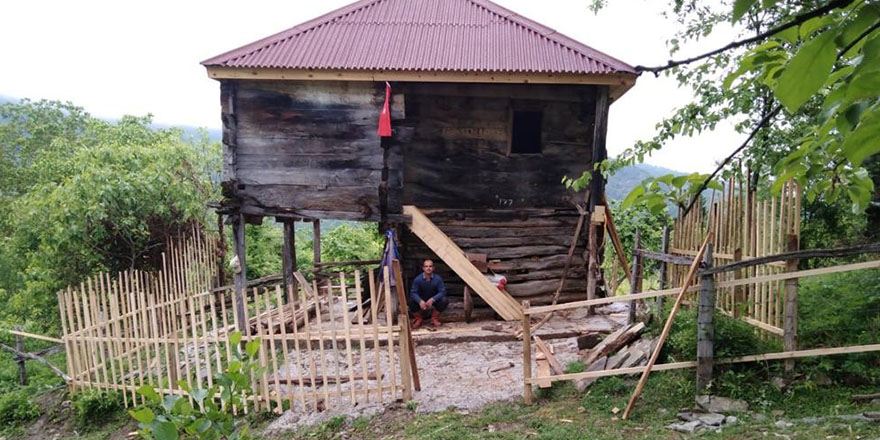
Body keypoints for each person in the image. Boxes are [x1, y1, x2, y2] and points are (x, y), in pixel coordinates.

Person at [409, 259, 447, 329]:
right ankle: (419, 319)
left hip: (433, 300)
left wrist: (433, 299)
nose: (428, 268)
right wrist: (420, 301)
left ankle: (434, 318)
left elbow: (443, 292)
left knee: (444, 300)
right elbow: (413, 292)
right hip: (422, 300)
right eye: (426, 266)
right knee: (411, 301)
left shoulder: (438, 279)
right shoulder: (418, 279)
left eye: (430, 266)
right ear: (423, 268)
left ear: (433, 268)